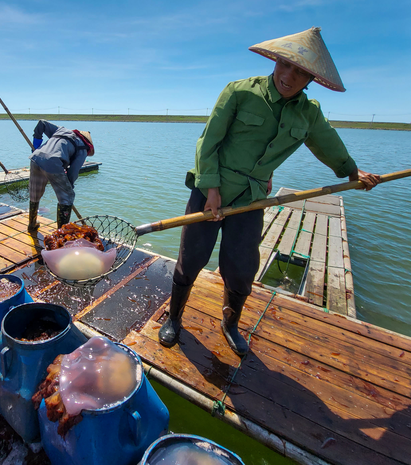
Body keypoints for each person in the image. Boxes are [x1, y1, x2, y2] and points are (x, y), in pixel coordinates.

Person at [158, 27, 381, 355]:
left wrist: (352, 172)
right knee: (191, 259)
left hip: (251, 199)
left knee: (241, 268)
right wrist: (212, 190)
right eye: (284, 64)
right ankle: (174, 318)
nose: (288, 76)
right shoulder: (241, 92)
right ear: (275, 61)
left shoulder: (309, 113)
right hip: (210, 190)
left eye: (300, 71)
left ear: (311, 79)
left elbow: (329, 146)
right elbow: (208, 143)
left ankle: (230, 324)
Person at [28, 120, 94, 231]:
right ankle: (61, 233)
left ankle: (32, 224)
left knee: (35, 193)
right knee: (68, 197)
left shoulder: (61, 130)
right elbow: (73, 172)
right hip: (53, 162)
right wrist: (68, 188)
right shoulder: (83, 147)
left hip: (35, 158)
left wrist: (36, 144)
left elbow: (42, 123)